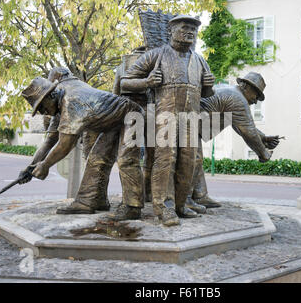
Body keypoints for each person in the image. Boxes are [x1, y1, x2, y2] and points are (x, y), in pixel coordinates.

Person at [120, 14, 215, 226]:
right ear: (171, 31)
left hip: (190, 117)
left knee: (189, 161)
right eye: (184, 27)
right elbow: (125, 83)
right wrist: (147, 81)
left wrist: (209, 85)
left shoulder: (199, 60)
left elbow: (207, 94)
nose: (190, 32)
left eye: (193, 29)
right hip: (164, 116)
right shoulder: (156, 55)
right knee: (166, 160)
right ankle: (164, 207)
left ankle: (182, 204)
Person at [19, 73, 144, 214]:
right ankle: (92, 200)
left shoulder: (71, 102)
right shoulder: (58, 104)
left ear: (51, 96)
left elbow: (65, 145)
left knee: (126, 160)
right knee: (96, 160)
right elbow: (50, 140)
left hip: (132, 116)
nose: (42, 112)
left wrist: (45, 165)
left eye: (41, 106)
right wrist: (30, 168)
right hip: (113, 123)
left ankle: (132, 207)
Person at [189, 72, 279, 209]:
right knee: (193, 160)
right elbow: (247, 131)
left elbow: (240, 125)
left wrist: (263, 137)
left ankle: (200, 196)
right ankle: (186, 200)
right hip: (189, 126)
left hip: (190, 123)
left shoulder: (229, 90)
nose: (256, 101)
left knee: (196, 160)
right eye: (256, 95)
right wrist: (264, 154)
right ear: (246, 87)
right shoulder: (238, 99)